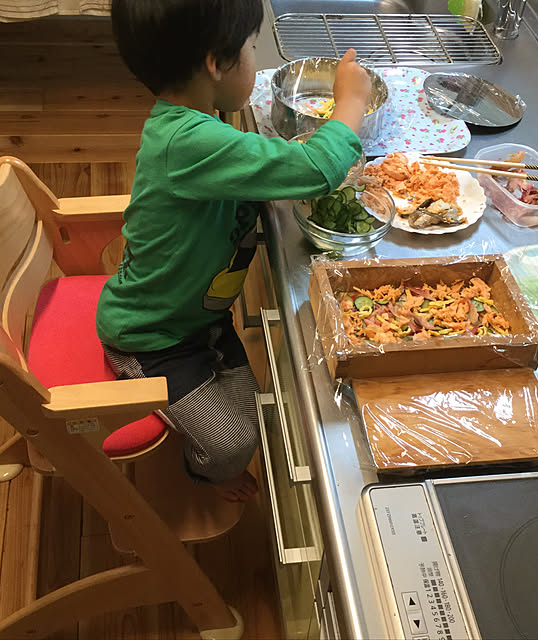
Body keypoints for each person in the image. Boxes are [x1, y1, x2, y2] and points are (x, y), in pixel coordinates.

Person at [96, 0, 371, 502]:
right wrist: (350, 103)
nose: (255, 57)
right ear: (216, 62)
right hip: (150, 336)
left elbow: (272, 166)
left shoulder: (196, 124)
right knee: (234, 443)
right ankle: (201, 473)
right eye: (252, 46)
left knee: (252, 416)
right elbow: (318, 168)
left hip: (199, 321)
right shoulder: (189, 142)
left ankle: (205, 442)